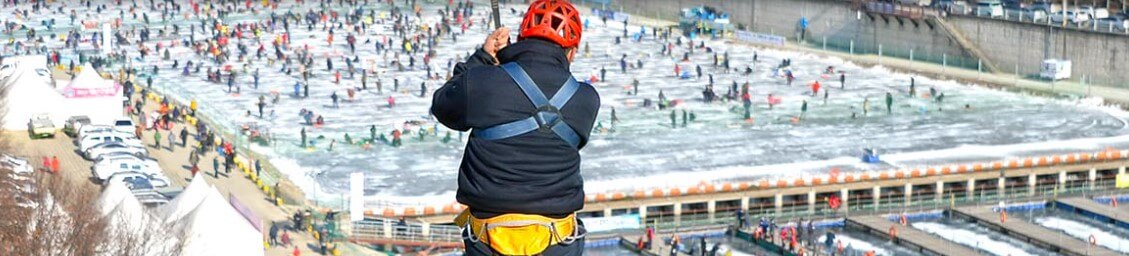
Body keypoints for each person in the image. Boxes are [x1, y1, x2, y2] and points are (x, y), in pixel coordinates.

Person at [431, 1, 599, 255]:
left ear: (522, 38)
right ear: (572, 52)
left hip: (488, 239)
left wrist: (484, 59)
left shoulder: (482, 82)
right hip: (557, 239)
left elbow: (443, 106)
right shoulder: (587, 99)